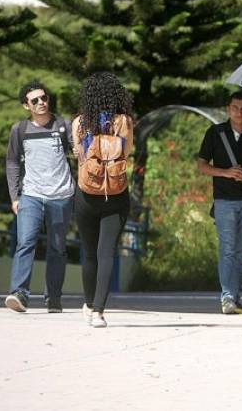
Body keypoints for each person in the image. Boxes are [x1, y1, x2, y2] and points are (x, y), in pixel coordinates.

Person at [5, 80, 75, 313]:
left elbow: (79, 152)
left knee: (57, 247)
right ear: (26, 106)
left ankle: (53, 297)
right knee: (25, 243)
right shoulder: (20, 130)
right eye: (35, 100)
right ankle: (19, 294)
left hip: (61, 195)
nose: (41, 102)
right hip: (31, 195)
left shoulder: (63, 124)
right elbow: (13, 163)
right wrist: (15, 196)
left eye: (43, 98)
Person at [72, 72, 134, 328]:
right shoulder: (124, 122)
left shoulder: (79, 123)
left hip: (86, 194)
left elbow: (80, 158)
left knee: (89, 254)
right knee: (106, 252)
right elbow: (126, 153)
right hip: (116, 194)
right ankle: (98, 311)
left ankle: (88, 304)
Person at [198, 91, 242, 315]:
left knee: (241, 251)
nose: (239, 112)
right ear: (228, 109)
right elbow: (202, 165)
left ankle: (234, 298)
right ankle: (227, 297)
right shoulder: (215, 133)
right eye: (235, 108)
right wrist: (226, 173)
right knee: (227, 249)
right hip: (224, 200)